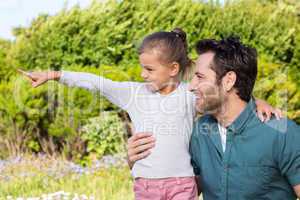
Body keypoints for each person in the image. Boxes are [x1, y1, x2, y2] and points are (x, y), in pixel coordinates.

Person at [19, 29, 281, 200]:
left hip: (182, 184)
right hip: (146, 186)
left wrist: (258, 101)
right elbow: (96, 82)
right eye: (142, 68)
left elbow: (224, 96)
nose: (143, 74)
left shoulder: (189, 96)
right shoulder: (133, 93)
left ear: (173, 69)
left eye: (149, 69)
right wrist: (54, 75)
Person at [127, 36, 300, 200]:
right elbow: (183, 188)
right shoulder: (200, 132)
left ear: (228, 81)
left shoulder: (282, 133)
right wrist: (139, 163)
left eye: (200, 77)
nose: (191, 86)